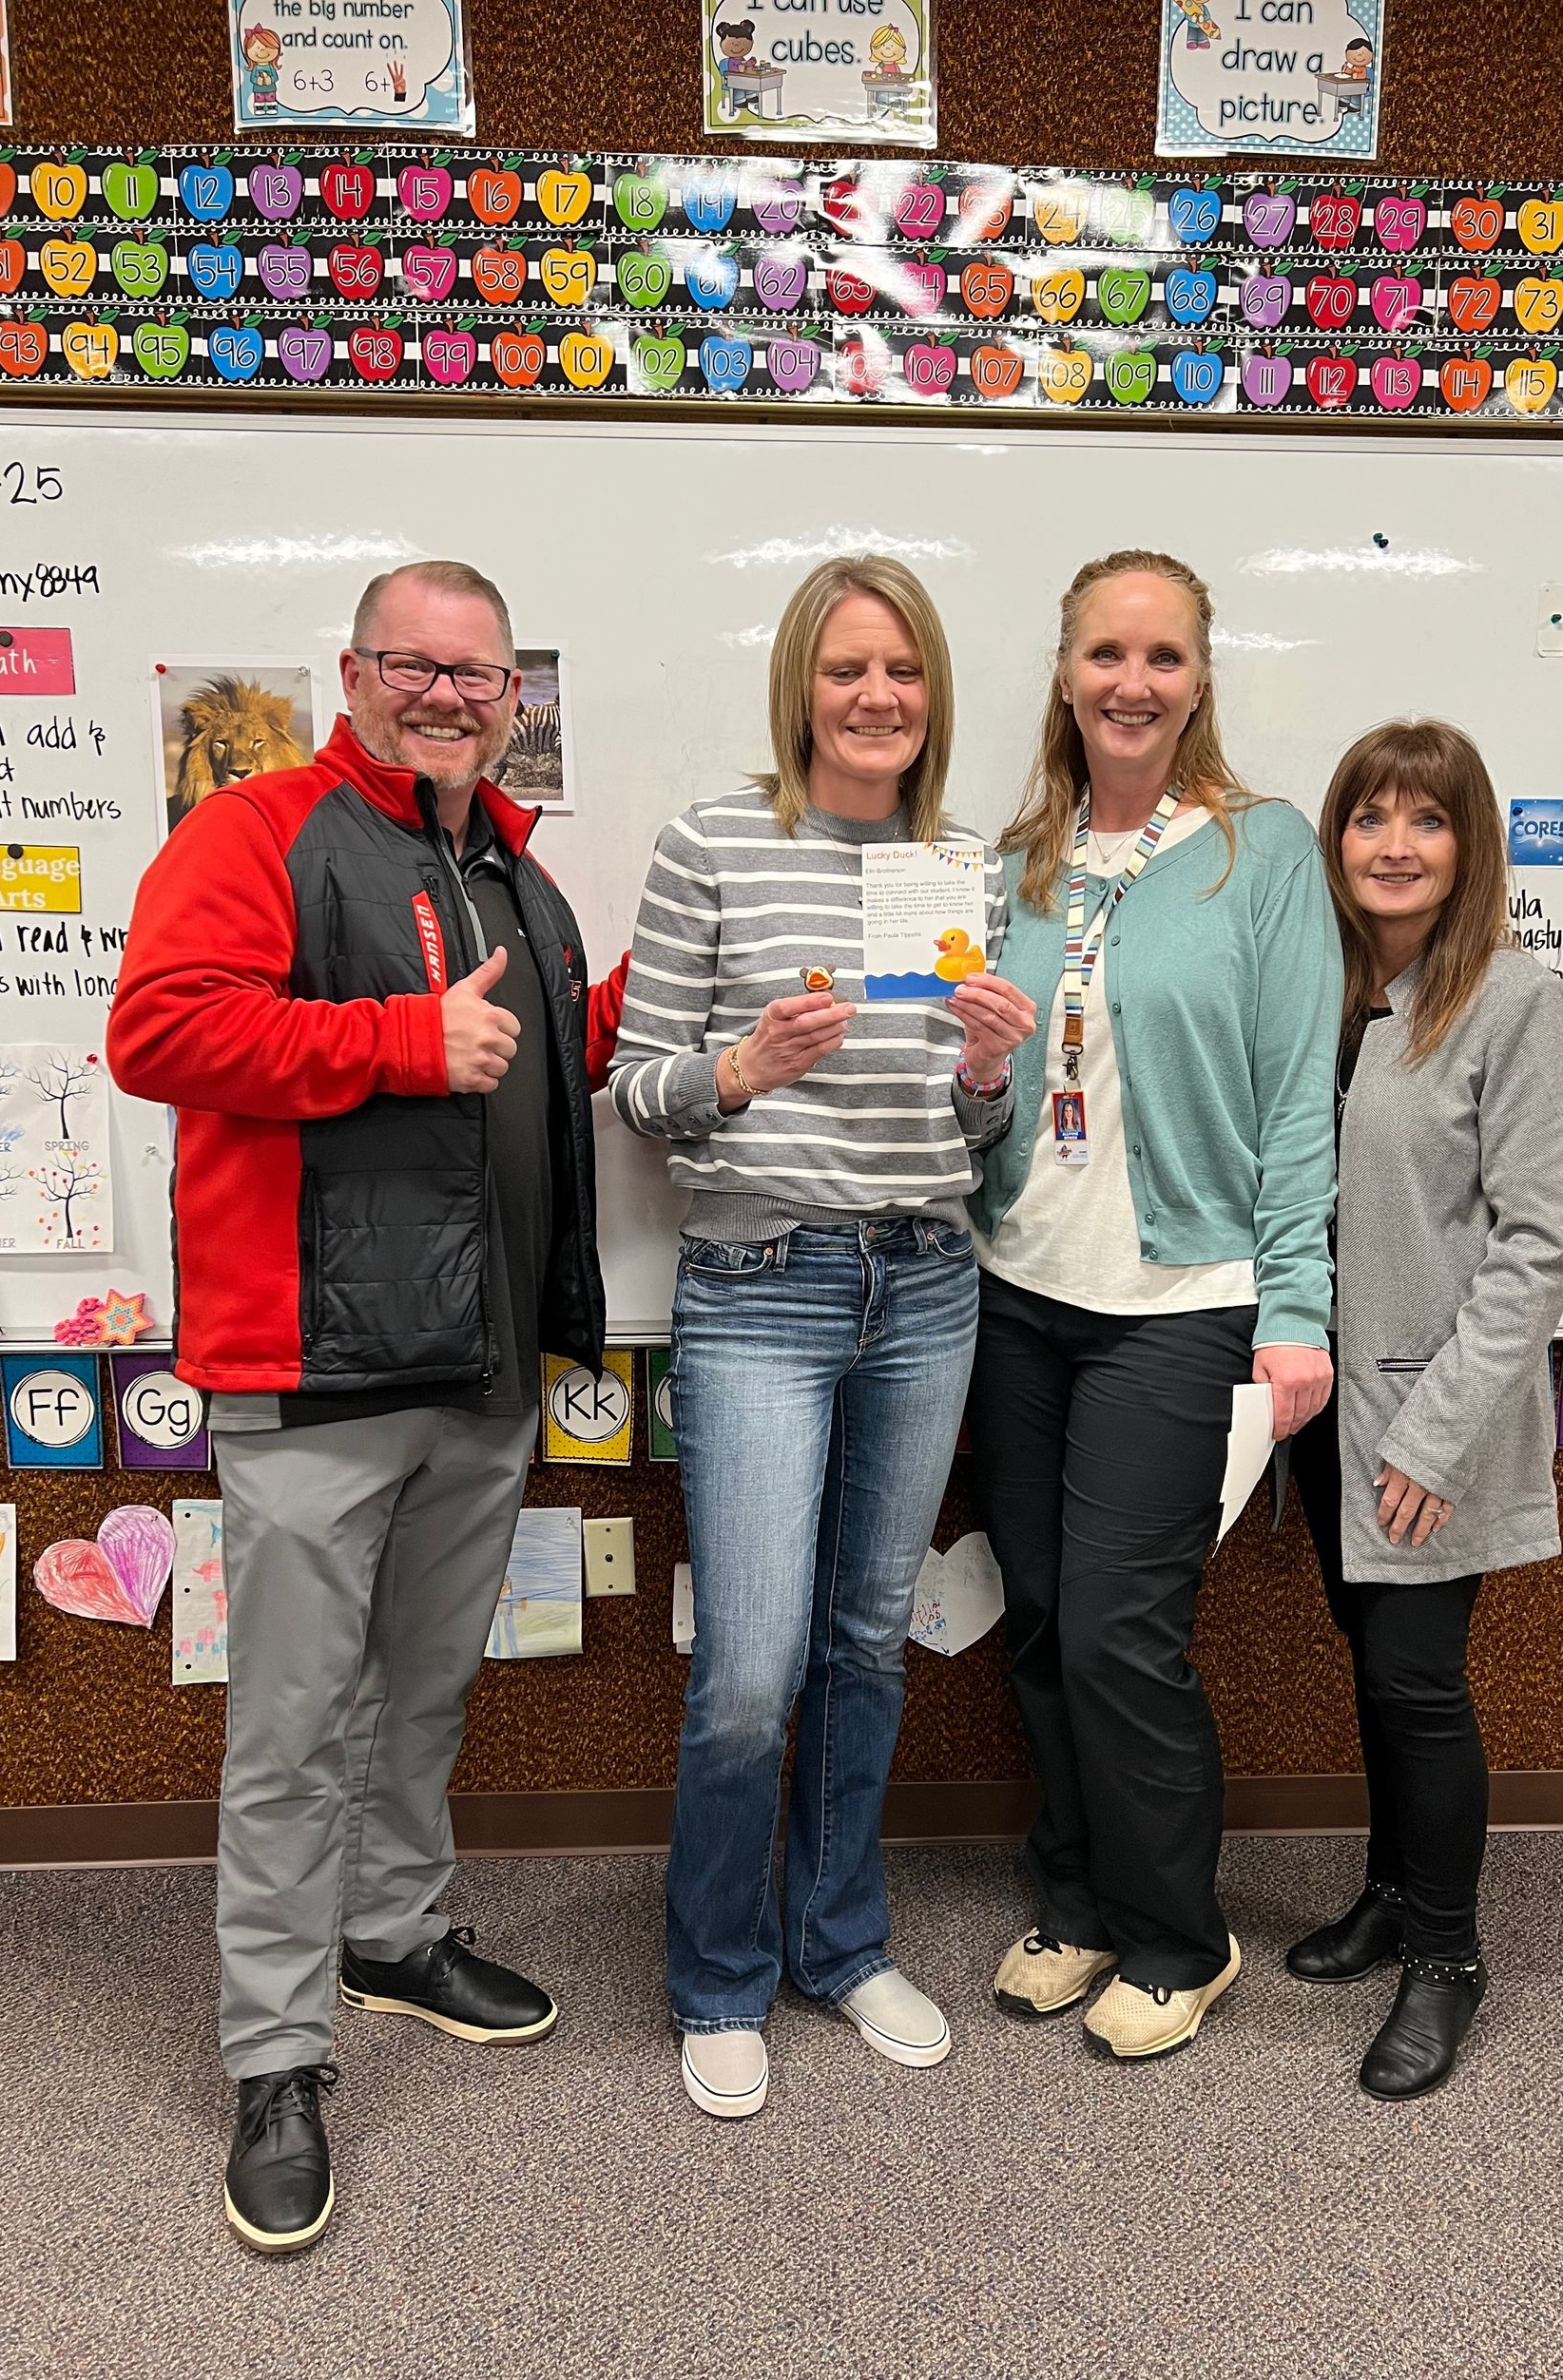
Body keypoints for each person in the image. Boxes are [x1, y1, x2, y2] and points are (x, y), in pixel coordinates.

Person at [107, 560, 627, 2254]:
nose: (451, 696)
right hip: (312, 1370)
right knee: (291, 1733)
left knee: (420, 1695)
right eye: (418, 665)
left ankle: (393, 1938)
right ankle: (274, 2055)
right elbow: (162, 1030)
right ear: (356, 670)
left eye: (481, 675)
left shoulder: (517, 881)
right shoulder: (255, 828)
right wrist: (401, 1045)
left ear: (511, 698)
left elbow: (539, 1053)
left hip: (477, 1367)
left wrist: (675, 1025)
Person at [609, 555, 1036, 2121]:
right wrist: (740, 1067)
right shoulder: (715, 841)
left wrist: (992, 1075)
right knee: (747, 1670)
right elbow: (636, 1091)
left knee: (870, 1640)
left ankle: (838, 1943)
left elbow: (980, 1138)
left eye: (904, 672)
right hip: (761, 1289)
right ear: (800, 683)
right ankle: (718, 1978)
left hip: (928, 1281)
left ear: (933, 694)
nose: (878, 700)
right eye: (848, 670)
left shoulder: (964, 862)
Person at [965, 548, 1341, 2063]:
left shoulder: (1262, 854)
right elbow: (986, 1094)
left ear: (1200, 679)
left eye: (1164, 657)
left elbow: (1297, 1103)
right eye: (1106, 654)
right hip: (1015, 1290)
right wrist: (975, 1079)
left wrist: (1297, 1305)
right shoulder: (1012, 865)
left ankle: (1182, 1932)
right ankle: (1078, 1900)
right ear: (1062, 672)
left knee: (1125, 1628)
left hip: (1182, 1302)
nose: (1133, 683)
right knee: (1045, 1617)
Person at [1287, 720, 1563, 2100]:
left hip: (1431, 1423)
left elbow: (1535, 1247)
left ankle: (1450, 1959)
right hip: (1330, 1414)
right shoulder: (1332, 993)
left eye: (1426, 820)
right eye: (1368, 818)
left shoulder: (1515, 1002)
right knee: (1372, 1664)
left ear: (1468, 849)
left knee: (1418, 1685)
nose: (1393, 846)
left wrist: (1432, 1433)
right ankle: (1393, 1894)